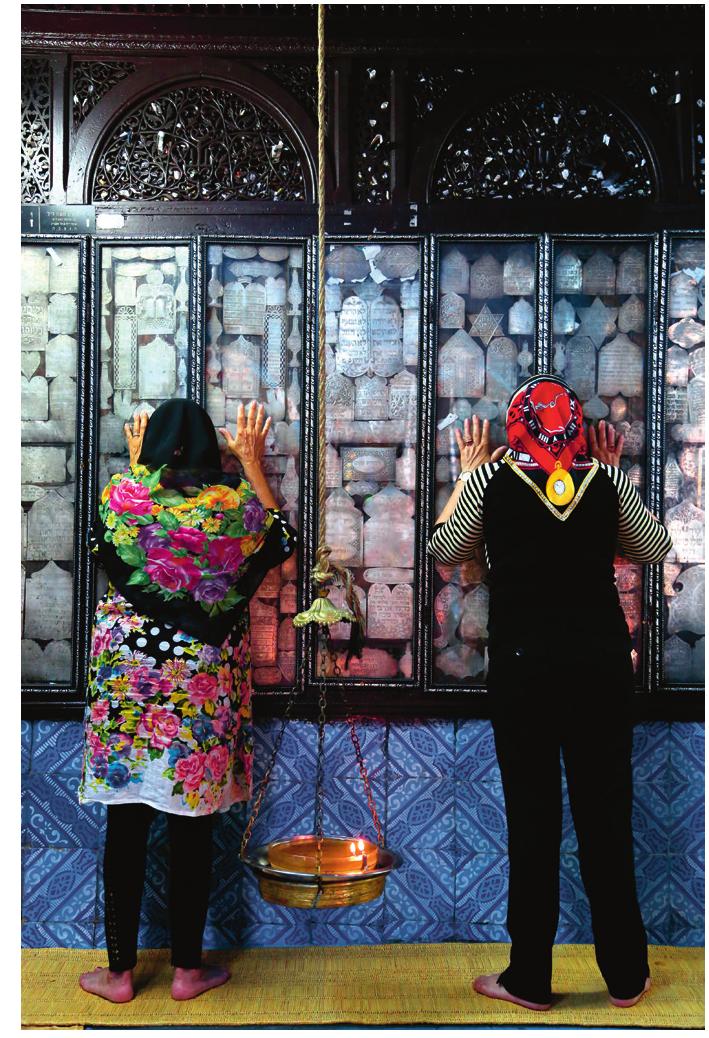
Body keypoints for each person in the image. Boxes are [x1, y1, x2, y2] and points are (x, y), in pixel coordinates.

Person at [427, 375, 672, 1012]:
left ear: (516, 426)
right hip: (599, 672)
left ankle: (529, 979)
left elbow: (444, 547)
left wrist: (469, 472)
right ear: (576, 426)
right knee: (606, 821)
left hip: (524, 673)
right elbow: (654, 546)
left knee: (531, 823)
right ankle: (624, 976)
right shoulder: (603, 481)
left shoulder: (492, 481)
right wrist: (612, 483)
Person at [77, 398, 297, 1003]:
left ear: (148, 450)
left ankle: (119, 974)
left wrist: (136, 468)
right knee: (192, 830)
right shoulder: (234, 512)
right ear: (210, 451)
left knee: (124, 827)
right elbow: (284, 538)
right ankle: (186, 971)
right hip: (198, 687)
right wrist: (251, 464)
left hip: (128, 687)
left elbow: (111, 542)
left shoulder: (122, 499)